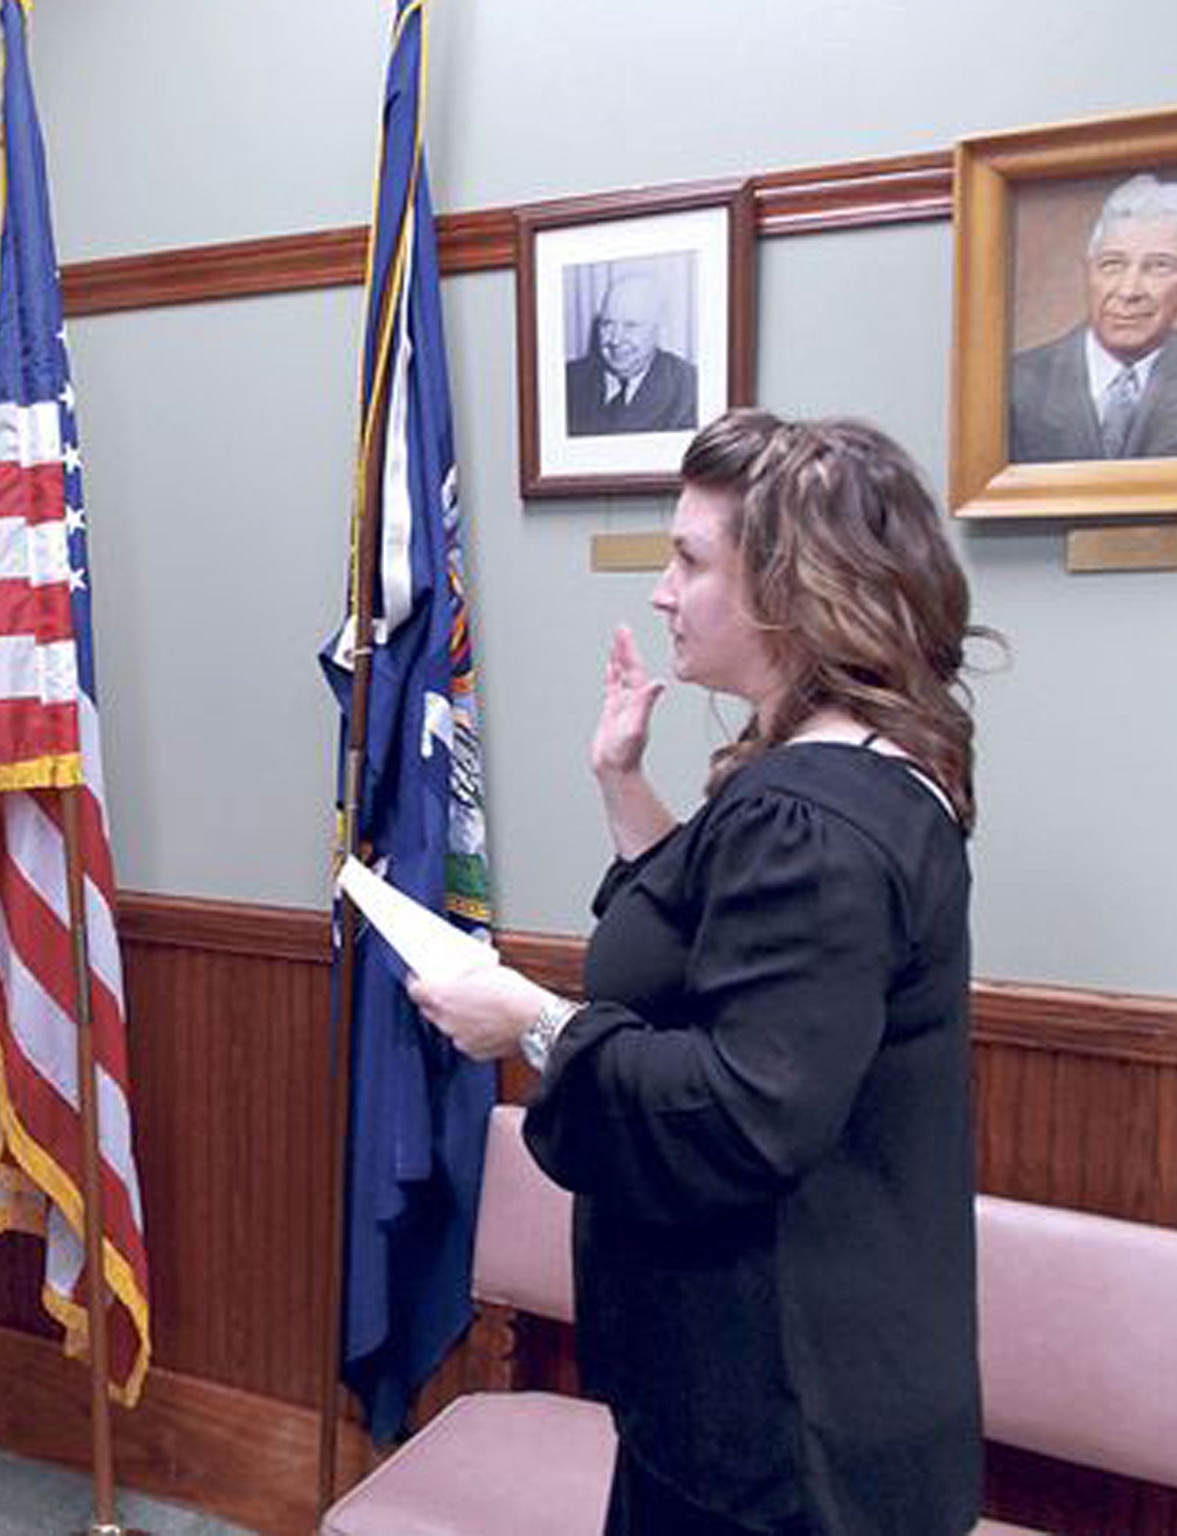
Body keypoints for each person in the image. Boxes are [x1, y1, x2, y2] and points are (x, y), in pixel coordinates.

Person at [410, 410, 990, 1535]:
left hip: (783, 1425)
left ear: (790, 587)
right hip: (771, 1388)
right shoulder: (846, 773)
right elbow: (722, 957)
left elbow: (738, 1110)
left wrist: (529, 1024)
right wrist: (623, 787)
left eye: (688, 559)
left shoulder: (809, 818)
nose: (662, 589)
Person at [1009, 172, 1177, 462]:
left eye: (1159, 266)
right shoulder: (1017, 382)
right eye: (1112, 264)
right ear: (1088, 272)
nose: (1128, 291)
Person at [567, 269, 699, 436]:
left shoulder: (689, 388)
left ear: (659, 329)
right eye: (607, 324)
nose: (615, 339)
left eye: (631, 325)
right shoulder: (567, 381)